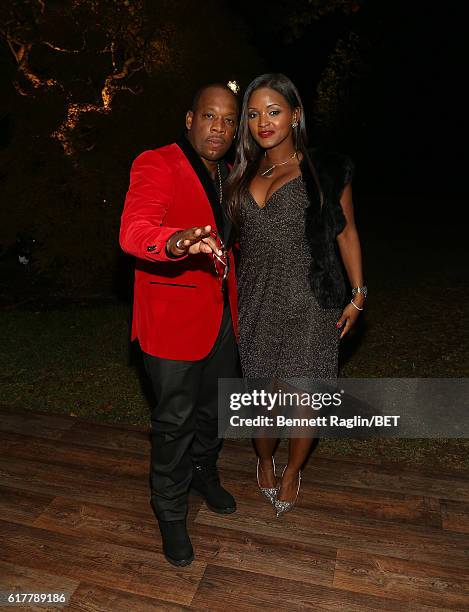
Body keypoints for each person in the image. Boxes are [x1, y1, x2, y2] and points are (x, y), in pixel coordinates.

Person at [225, 73, 365, 516]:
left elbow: (347, 234)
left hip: (312, 300)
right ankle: (265, 458)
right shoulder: (239, 173)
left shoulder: (325, 170)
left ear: (295, 114)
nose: (263, 122)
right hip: (255, 300)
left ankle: (291, 470)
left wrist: (358, 294)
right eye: (253, 113)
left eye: (274, 110)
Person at [119, 83, 240, 566]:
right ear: (189, 119)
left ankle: (203, 474)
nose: (220, 128)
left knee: (214, 411)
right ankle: (169, 511)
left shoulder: (230, 173)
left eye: (229, 120)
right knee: (174, 422)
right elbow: (134, 229)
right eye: (210, 116)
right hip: (171, 320)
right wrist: (174, 243)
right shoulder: (157, 162)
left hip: (223, 315)